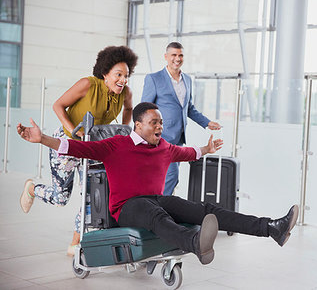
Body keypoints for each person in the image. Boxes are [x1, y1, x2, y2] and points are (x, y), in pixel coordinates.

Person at [17, 102, 299, 265]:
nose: (160, 127)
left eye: (161, 122)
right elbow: (78, 149)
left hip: (153, 199)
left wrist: (206, 149)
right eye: (154, 122)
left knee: (205, 209)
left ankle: (271, 228)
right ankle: (193, 242)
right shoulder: (116, 145)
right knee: (155, 212)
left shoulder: (164, 147)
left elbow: (189, 153)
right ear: (138, 125)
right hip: (125, 208)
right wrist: (42, 139)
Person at [19, 46, 138, 255]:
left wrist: (121, 132)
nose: (123, 80)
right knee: (60, 198)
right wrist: (75, 132)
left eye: (126, 75)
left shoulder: (125, 93)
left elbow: (129, 109)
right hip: (65, 144)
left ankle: (76, 242)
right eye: (118, 74)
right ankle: (32, 189)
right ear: (105, 74)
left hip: (93, 148)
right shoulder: (87, 85)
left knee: (93, 195)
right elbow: (58, 105)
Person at [141, 42, 221, 196]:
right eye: (173, 55)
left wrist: (207, 123)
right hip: (161, 137)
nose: (177, 58)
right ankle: (160, 209)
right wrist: (144, 137)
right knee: (171, 176)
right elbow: (145, 109)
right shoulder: (154, 78)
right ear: (166, 57)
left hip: (179, 137)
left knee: (166, 177)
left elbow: (188, 108)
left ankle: (159, 208)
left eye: (180, 55)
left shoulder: (187, 80)